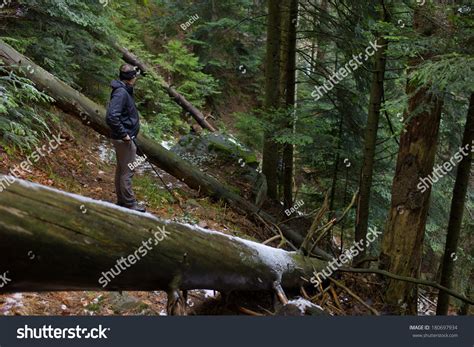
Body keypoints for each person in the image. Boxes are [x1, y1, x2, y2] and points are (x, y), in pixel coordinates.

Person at [106, 64, 146, 212]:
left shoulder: (123, 90)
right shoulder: (121, 93)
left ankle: (122, 201)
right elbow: (111, 116)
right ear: (130, 78)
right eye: (135, 76)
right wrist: (125, 135)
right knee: (128, 171)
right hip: (124, 139)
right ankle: (130, 203)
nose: (136, 79)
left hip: (123, 138)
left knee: (122, 170)